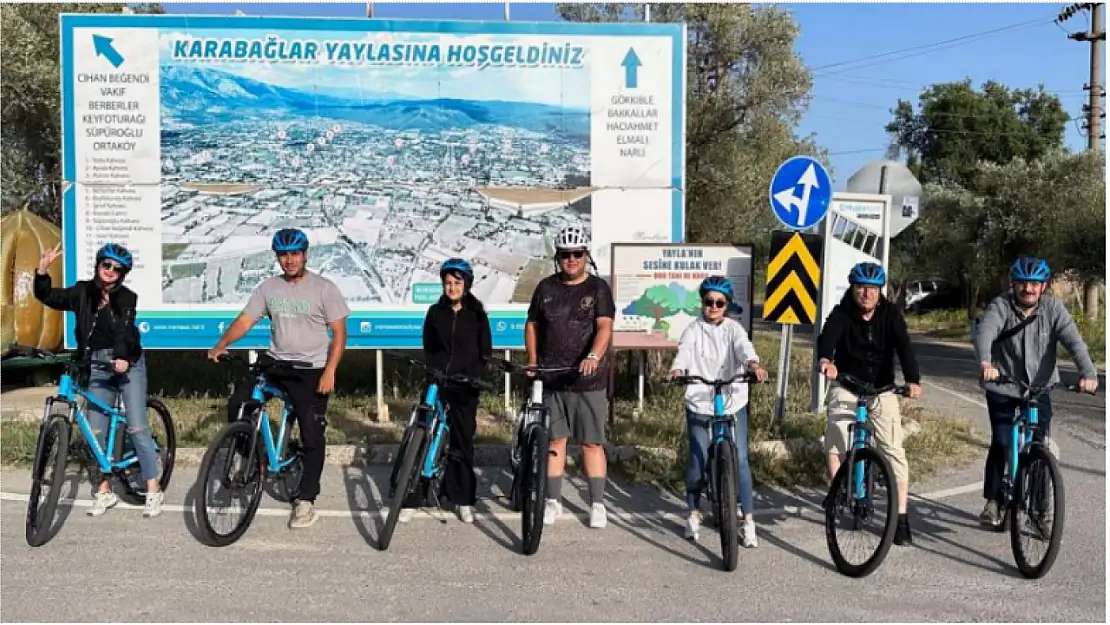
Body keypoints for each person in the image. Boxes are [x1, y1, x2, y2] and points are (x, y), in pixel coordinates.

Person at [207, 228, 350, 530]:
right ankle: (247, 455)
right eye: (283, 255)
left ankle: (306, 500)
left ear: (305, 254)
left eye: (294, 253)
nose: (289, 260)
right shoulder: (269, 288)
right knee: (239, 403)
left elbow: (339, 334)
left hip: (311, 368)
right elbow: (246, 320)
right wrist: (223, 344)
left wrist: (330, 370)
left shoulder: (324, 289)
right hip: (276, 363)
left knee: (312, 434)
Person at [33, 242, 164, 518]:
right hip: (96, 363)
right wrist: (42, 270)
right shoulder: (82, 291)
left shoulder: (127, 297)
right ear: (98, 265)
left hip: (127, 361)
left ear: (122, 274)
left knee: (137, 426)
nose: (110, 271)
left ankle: (153, 487)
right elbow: (48, 297)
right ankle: (104, 491)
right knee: (96, 432)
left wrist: (122, 357)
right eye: (107, 265)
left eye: (117, 269)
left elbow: (124, 330)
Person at [974, 257, 1098, 528]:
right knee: (1004, 441)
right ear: (1013, 284)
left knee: (1039, 448)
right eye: (1022, 283)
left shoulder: (1054, 309)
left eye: (1034, 284)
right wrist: (986, 362)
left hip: (1039, 388)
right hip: (1003, 385)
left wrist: (1088, 374)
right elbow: (986, 331)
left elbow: (1074, 342)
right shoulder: (1001, 305)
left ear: (1043, 286)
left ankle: (1040, 513)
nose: (1028, 289)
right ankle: (993, 500)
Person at [817, 261, 922, 546]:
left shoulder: (891, 316)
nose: (867, 293)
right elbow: (826, 341)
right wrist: (826, 361)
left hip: (882, 388)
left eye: (873, 288)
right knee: (837, 435)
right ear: (853, 288)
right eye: (861, 287)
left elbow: (905, 348)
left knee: (893, 450)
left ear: (880, 290)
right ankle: (839, 490)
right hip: (847, 385)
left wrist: (913, 381)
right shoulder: (841, 314)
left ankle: (901, 517)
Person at [525, 225, 615, 529]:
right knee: (555, 442)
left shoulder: (598, 288)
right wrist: (534, 361)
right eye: (565, 255)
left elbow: (604, 327)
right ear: (558, 257)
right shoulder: (545, 288)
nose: (572, 259)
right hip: (552, 379)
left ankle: (597, 504)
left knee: (591, 443)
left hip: (587, 381)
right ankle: (552, 500)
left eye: (577, 254)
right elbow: (533, 325)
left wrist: (593, 357)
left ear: (586, 255)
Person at [669, 276, 768, 546]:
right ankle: (693, 513)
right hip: (700, 400)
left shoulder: (734, 329)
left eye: (719, 302)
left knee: (742, 459)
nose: (713, 307)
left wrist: (753, 364)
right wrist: (678, 370)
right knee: (698, 463)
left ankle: (748, 521)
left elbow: (744, 348)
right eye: (708, 301)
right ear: (702, 303)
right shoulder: (693, 329)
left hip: (732, 398)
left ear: (727, 305)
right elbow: (684, 351)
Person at [396, 258, 492, 524]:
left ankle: (461, 499)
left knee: (462, 442)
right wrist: (434, 372)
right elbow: (429, 346)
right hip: (437, 383)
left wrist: (472, 376)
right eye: (447, 283)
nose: (451, 288)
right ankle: (413, 497)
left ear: (467, 284)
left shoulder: (477, 315)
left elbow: (485, 351)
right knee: (422, 439)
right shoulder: (434, 313)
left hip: (465, 386)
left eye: (457, 283)